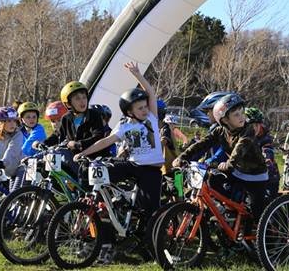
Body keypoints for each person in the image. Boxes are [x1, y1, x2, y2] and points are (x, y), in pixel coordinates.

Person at [75, 62, 164, 223]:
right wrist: (83, 153)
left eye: (145, 107)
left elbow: (150, 93)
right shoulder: (125, 124)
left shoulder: (151, 117)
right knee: (101, 169)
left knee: (150, 211)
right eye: (140, 108)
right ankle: (112, 204)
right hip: (133, 165)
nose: (144, 110)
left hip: (151, 169)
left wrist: (138, 75)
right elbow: (106, 141)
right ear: (130, 112)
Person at [172, 94, 268, 233]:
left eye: (242, 113)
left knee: (258, 213)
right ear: (224, 120)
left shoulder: (248, 131)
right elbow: (202, 144)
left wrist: (228, 163)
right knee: (212, 180)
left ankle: (266, 238)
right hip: (236, 171)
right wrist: (182, 157)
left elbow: (240, 149)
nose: (242, 117)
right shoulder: (219, 131)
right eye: (236, 115)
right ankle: (226, 212)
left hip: (255, 176)